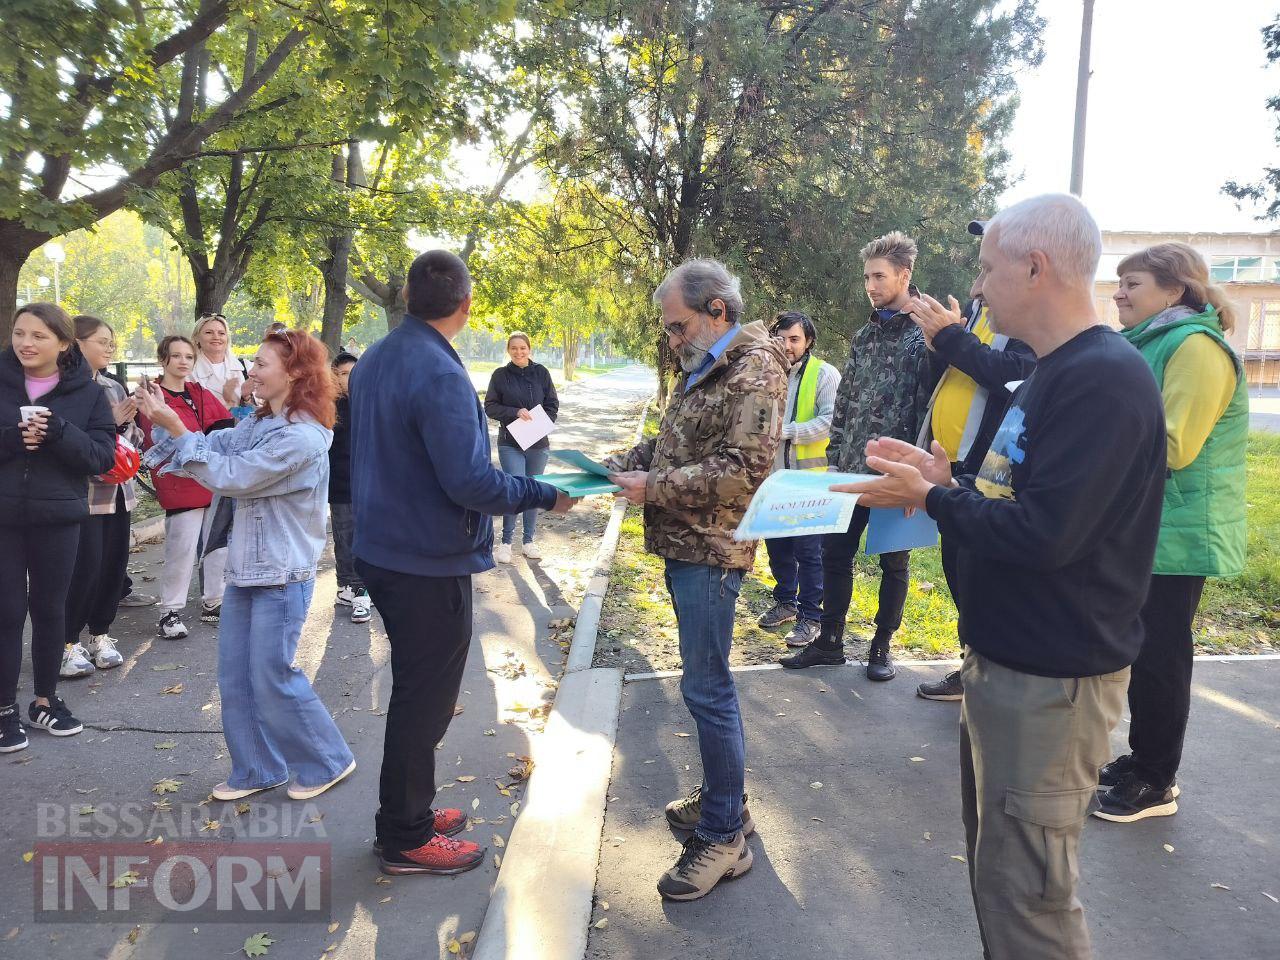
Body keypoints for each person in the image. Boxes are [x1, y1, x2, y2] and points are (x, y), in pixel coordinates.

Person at [835, 194, 1166, 960]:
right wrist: (941, 476)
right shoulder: (1054, 373)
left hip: (1052, 682)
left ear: (1035, 266)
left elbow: (1047, 535)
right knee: (1004, 884)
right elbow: (1024, 497)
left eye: (986, 271)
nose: (977, 290)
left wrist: (934, 498)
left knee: (1031, 906)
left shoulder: (1101, 379)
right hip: (1011, 667)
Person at [348, 250, 575, 877]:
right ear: (466, 303)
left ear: (407, 298)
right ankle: (405, 835)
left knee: (417, 691)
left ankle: (407, 810)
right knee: (426, 696)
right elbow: (472, 482)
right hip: (423, 557)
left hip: (386, 547)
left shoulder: (377, 356)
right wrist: (544, 495)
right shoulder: (438, 370)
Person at [605, 258, 788, 902]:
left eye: (678, 325)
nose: (672, 338)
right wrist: (609, 468)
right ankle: (723, 801)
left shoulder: (755, 369)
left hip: (713, 551)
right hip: (687, 544)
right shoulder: (708, 364)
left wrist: (650, 486)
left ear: (718, 311)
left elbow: (744, 470)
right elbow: (671, 446)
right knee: (703, 687)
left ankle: (724, 835)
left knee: (708, 691)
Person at [135, 329, 356, 802]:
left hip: (283, 573)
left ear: (295, 373)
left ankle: (328, 760)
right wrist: (162, 420)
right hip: (245, 569)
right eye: (252, 362)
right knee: (236, 678)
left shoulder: (305, 438)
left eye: (261, 364)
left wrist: (176, 429)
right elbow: (214, 450)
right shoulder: (258, 424)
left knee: (273, 676)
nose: (250, 370)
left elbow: (234, 476)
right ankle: (257, 767)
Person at [1092, 243, 1249, 823]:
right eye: (1119, 283)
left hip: (1180, 530)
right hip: (1149, 524)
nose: (1119, 293)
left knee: (1161, 656)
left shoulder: (1197, 348)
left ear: (1174, 290)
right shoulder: (1152, 343)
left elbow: (1174, 444)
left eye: (1131, 283)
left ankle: (1158, 778)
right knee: (1143, 650)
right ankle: (1141, 760)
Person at [780, 231, 937, 681]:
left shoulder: (925, 335)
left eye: (879, 276)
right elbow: (846, 401)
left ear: (904, 275)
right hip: (850, 468)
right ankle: (829, 642)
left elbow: (931, 407)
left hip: (898, 473)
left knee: (894, 561)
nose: (870, 284)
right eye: (867, 276)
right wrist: (833, 457)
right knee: (835, 553)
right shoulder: (864, 335)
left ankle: (881, 647)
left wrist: (920, 476)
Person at [910, 220, 1037, 702]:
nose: (976, 282)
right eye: (980, 267)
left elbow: (1013, 376)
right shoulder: (981, 311)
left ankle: (984, 672)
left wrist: (951, 340)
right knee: (959, 574)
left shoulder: (1027, 326)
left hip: (986, 470)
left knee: (978, 577)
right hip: (954, 466)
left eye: (988, 268)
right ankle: (972, 665)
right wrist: (938, 347)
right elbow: (956, 377)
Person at [0, 303, 115, 753]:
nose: (26, 343)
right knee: (6, 612)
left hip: (59, 517)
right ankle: (4, 711)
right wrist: (10, 439)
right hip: (4, 517)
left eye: (39, 336)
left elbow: (102, 457)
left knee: (51, 610)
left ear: (64, 344)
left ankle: (46, 700)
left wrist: (59, 431)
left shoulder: (85, 392)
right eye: (19, 333)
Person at [60, 315, 143, 679]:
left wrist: (124, 427)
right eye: (102, 341)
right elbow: (63, 441)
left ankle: (100, 634)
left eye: (112, 341)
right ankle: (66, 643)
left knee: (112, 567)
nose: (110, 347)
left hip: (119, 492)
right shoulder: (62, 390)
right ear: (76, 344)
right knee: (84, 570)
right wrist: (105, 423)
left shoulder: (113, 386)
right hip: (84, 495)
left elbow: (133, 439)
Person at [137, 335, 234, 639]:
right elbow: (160, 441)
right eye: (176, 356)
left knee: (217, 544)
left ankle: (214, 600)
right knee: (181, 548)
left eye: (188, 357)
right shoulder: (152, 396)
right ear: (163, 359)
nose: (183, 361)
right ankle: (170, 610)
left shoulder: (200, 393)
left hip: (209, 478)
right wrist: (197, 439)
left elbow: (224, 428)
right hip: (179, 482)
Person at [756, 311, 840, 649]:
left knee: (809, 553)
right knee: (777, 548)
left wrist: (785, 433)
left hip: (811, 480)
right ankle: (786, 602)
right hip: (773, 478)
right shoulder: (763, 373)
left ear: (808, 342)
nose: (788, 345)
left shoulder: (825, 374)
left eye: (795, 339)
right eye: (782, 337)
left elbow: (831, 420)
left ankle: (810, 618)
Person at [484, 332, 560, 563]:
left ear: (529, 349)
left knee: (532, 491)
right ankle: (506, 543)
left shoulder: (541, 373)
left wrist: (540, 423)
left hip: (537, 443)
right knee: (515, 489)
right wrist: (514, 412)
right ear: (508, 350)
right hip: (510, 443)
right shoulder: (500, 375)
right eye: (514, 348)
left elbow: (552, 405)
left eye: (522, 348)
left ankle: (528, 541)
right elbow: (490, 406)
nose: (519, 352)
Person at [329, 352, 370, 624]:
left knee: (362, 537)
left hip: (367, 483)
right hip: (338, 483)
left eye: (352, 373)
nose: (347, 379)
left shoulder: (371, 403)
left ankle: (362, 591)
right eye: (341, 374)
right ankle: (345, 585)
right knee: (342, 536)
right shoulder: (327, 406)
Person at [191, 313, 253, 409]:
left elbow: (264, 412)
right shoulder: (188, 371)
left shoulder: (246, 367)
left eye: (221, 333)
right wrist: (227, 400)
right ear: (196, 338)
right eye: (209, 332)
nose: (216, 337)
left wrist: (246, 397)